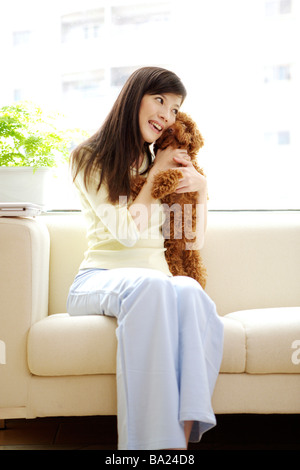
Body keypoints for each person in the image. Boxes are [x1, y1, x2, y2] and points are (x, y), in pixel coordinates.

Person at [67, 66, 224, 450]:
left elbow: (190, 241)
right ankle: (149, 448)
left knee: (187, 289)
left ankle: (182, 436)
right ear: (134, 97)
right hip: (99, 278)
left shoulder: (161, 163)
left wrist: (201, 191)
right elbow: (124, 232)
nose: (166, 116)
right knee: (157, 284)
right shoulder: (89, 157)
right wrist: (157, 172)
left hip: (156, 283)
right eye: (159, 101)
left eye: (174, 109)